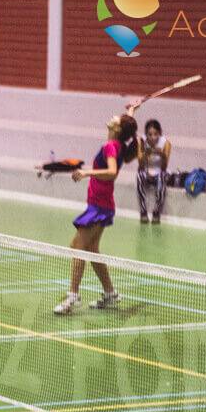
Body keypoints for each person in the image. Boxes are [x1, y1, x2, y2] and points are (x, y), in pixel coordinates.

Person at [54, 113, 139, 315]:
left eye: (117, 118)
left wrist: (86, 172)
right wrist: (131, 111)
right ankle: (110, 293)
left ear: (117, 129)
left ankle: (72, 297)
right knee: (91, 248)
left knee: (78, 247)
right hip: (101, 203)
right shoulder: (118, 145)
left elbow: (111, 172)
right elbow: (127, 126)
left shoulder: (111, 146)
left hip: (100, 206)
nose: (113, 116)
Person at [136, 119, 171, 224]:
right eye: (150, 135)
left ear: (159, 133)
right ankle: (143, 211)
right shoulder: (141, 141)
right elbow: (140, 165)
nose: (152, 137)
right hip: (146, 171)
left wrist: (162, 155)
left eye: (155, 134)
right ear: (146, 135)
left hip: (159, 172)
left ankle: (156, 212)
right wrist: (146, 153)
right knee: (139, 176)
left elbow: (164, 167)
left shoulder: (166, 143)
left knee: (161, 177)